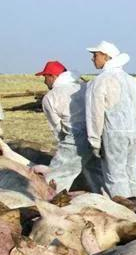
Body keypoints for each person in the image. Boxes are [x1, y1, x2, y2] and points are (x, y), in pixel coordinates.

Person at [86, 41, 136, 204]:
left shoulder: (100, 81)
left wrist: (94, 141)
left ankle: (125, 210)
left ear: (106, 56)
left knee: (116, 175)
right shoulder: (131, 80)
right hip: (135, 133)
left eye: (95, 55)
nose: (92, 59)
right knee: (134, 172)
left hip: (114, 134)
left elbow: (95, 114)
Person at [33, 61, 103, 192]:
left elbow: (57, 127)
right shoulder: (84, 87)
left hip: (75, 139)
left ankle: (52, 201)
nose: (44, 81)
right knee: (97, 173)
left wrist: (65, 146)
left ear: (53, 76)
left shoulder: (50, 97)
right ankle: (107, 200)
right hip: (97, 133)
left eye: (45, 77)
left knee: (56, 177)